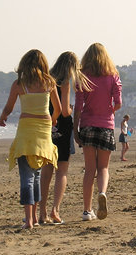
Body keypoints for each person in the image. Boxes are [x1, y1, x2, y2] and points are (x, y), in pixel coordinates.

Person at [0, 49, 61, 229]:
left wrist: (3, 117)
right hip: (43, 131)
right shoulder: (49, 83)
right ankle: (33, 218)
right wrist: (53, 119)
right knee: (37, 174)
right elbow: (57, 109)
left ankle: (29, 221)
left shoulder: (19, 84)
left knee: (26, 175)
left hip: (26, 131)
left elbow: (9, 107)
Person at [39, 51, 92, 224]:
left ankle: (42, 212)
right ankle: (56, 209)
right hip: (63, 126)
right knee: (61, 170)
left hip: (47, 125)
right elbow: (64, 110)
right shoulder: (64, 82)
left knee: (46, 170)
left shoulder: (46, 79)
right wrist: (70, 108)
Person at [74, 43, 122, 221]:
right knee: (103, 167)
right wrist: (109, 110)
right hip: (106, 125)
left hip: (87, 125)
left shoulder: (82, 76)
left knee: (89, 169)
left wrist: (75, 129)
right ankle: (102, 192)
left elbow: (78, 106)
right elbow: (118, 102)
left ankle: (87, 211)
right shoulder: (113, 76)